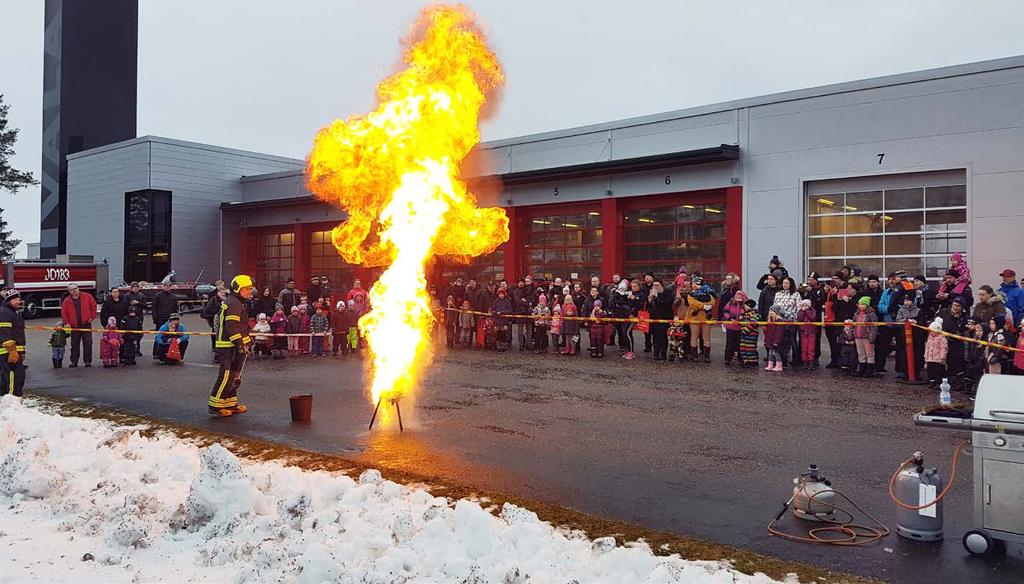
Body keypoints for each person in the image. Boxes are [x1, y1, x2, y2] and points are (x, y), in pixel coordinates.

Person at [209, 275, 255, 417]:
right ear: (238, 289)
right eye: (246, 289)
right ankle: (216, 406)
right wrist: (241, 344)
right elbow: (232, 327)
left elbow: (241, 327)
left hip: (233, 346)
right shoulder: (234, 303)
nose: (249, 292)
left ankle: (230, 403)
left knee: (234, 376)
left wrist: (246, 342)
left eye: (250, 289)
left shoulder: (236, 302)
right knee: (226, 376)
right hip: (228, 347)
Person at [60, 283, 97, 367]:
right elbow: (64, 313)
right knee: (74, 344)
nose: (74, 291)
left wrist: (92, 317)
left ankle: (87, 361)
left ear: (78, 288)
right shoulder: (66, 301)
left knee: (88, 343)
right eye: (71, 290)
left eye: (75, 288)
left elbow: (94, 306)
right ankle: (74, 361)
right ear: (69, 291)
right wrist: (67, 323)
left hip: (86, 324)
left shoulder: (87, 296)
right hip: (74, 326)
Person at [0, 289, 27, 396]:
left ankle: (8, 400)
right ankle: (12, 401)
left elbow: (18, 334)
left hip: (14, 352)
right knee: (15, 378)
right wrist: (12, 351)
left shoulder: (12, 312)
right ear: (9, 300)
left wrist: (22, 352)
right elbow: (4, 333)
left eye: (19, 299)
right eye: (15, 299)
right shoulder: (5, 312)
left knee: (11, 378)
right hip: (9, 353)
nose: (18, 301)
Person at [686, 275, 717, 362]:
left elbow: (712, 301)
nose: (694, 285)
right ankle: (695, 356)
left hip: (706, 318)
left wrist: (707, 306)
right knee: (694, 337)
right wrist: (704, 306)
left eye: (695, 283)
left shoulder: (707, 293)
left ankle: (706, 356)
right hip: (695, 318)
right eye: (693, 283)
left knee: (706, 337)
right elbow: (692, 303)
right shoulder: (691, 294)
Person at [647, 279, 674, 361]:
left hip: (664, 317)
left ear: (661, 285)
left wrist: (658, 298)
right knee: (654, 336)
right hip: (653, 318)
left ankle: (663, 353)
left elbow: (668, 302)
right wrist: (650, 300)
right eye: (654, 285)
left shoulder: (667, 292)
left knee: (662, 336)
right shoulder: (651, 293)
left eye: (657, 285)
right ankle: (656, 353)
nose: (655, 287)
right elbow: (648, 305)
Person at [854, 296, 879, 377]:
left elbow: (874, 327)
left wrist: (872, 337)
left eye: (863, 304)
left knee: (870, 353)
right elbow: (853, 325)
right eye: (860, 304)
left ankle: (870, 370)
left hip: (867, 338)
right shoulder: (856, 314)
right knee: (861, 353)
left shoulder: (872, 314)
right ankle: (861, 369)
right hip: (858, 336)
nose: (861, 306)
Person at [202, 285, 228, 357]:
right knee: (216, 334)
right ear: (218, 292)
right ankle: (216, 350)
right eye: (222, 293)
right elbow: (208, 309)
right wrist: (218, 311)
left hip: (225, 320)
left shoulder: (227, 299)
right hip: (216, 319)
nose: (223, 294)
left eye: (224, 292)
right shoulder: (213, 299)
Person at [924, 318, 949, 386]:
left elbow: (944, 349)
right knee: (930, 371)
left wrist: (942, 358)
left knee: (938, 371)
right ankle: (932, 381)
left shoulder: (942, 339)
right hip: (930, 358)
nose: (931, 332)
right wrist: (926, 357)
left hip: (938, 359)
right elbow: (927, 348)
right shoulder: (929, 339)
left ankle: (939, 383)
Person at [490, 287, 514, 352]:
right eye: (499, 294)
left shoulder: (507, 301)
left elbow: (510, 310)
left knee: (503, 334)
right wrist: (495, 312)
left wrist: (503, 312)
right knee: (498, 334)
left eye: (502, 294)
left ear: (504, 294)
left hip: (504, 321)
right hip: (497, 321)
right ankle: (498, 346)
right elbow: (492, 309)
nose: (501, 295)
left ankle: (503, 346)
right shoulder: (496, 301)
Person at [797, 299, 818, 371]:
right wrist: (802, 311)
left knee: (811, 348)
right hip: (803, 332)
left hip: (811, 332)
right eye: (803, 305)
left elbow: (812, 318)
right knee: (804, 348)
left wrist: (807, 310)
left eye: (806, 305)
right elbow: (799, 318)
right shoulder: (800, 311)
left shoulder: (813, 311)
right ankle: (805, 362)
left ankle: (811, 362)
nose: (804, 306)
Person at [120, 302, 143, 366]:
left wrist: (139, 335)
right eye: (131, 312)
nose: (132, 313)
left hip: (134, 336)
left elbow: (140, 328)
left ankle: (133, 359)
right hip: (127, 336)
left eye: (133, 312)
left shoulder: (138, 319)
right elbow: (122, 327)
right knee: (127, 348)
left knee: (133, 348)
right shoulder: (125, 318)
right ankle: (127, 360)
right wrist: (123, 334)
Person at [739, 299, 760, 368]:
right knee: (743, 347)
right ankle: (746, 361)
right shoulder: (745, 314)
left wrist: (745, 330)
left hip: (751, 334)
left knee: (750, 348)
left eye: (745, 305)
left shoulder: (754, 314)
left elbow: (753, 323)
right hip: (744, 334)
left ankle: (753, 361)